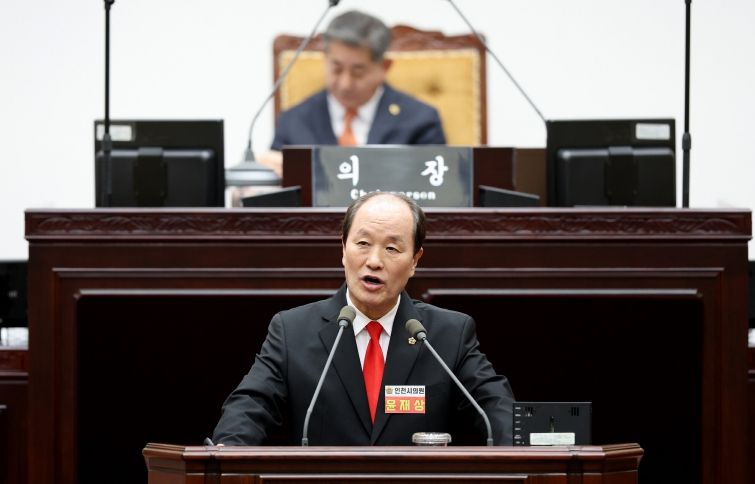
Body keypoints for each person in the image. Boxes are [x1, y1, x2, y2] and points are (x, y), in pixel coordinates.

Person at [212, 192, 514, 446]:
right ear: (343, 249)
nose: (374, 261)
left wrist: (520, 453)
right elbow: (250, 406)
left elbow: (496, 406)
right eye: (363, 244)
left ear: (414, 261)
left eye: (392, 248)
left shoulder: (447, 335)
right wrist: (225, 456)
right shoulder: (293, 331)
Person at [258, 10, 447, 177]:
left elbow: (439, 187)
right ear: (325, 60)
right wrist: (268, 174)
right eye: (337, 69)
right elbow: (273, 192)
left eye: (358, 72)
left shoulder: (421, 120)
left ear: (385, 67)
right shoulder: (293, 120)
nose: (345, 84)